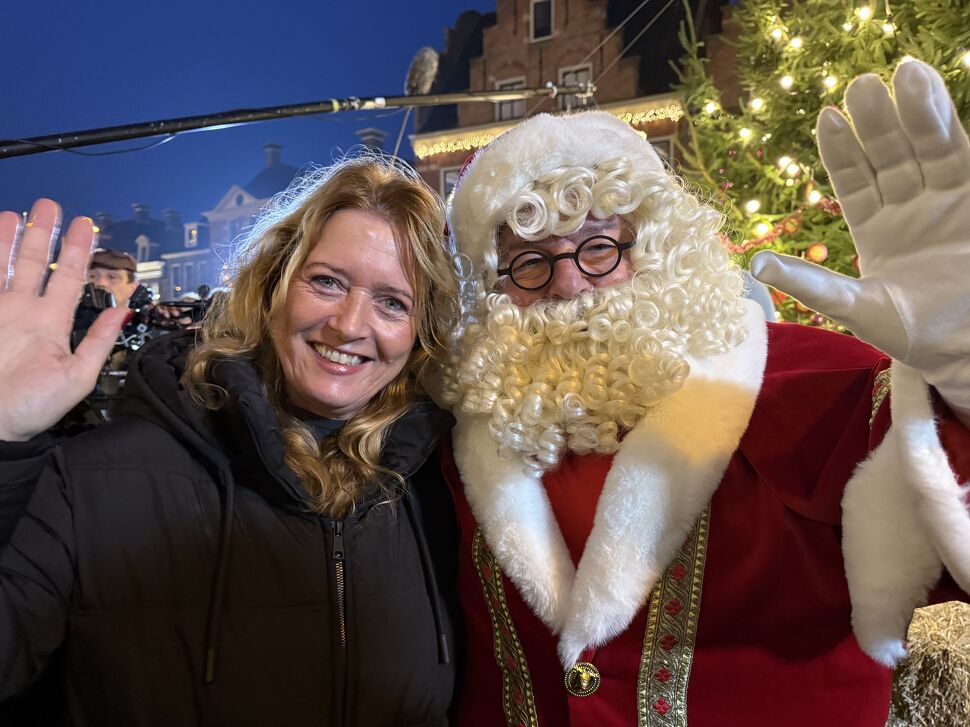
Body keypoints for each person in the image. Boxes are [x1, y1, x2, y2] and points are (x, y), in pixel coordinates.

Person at [437, 60, 970, 725]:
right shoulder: (467, 430)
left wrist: (959, 375)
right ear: (494, 290)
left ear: (658, 251)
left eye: (598, 247)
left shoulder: (803, 381)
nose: (569, 287)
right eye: (530, 261)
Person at [0, 156, 461, 726]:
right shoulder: (100, 479)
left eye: (393, 302)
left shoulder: (435, 487)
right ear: (272, 286)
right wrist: (4, 444)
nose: (349, 325)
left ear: (421, 333)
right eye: (326, 282)